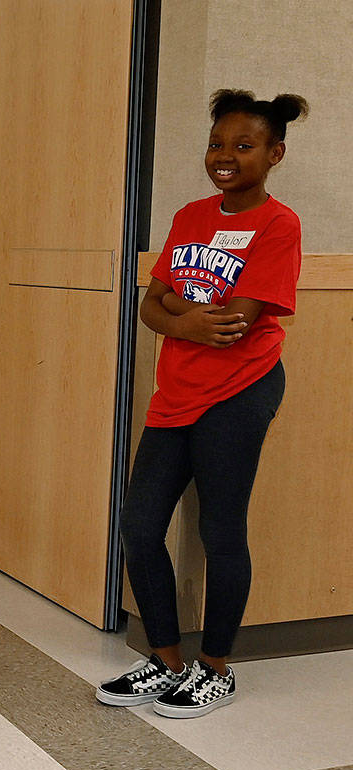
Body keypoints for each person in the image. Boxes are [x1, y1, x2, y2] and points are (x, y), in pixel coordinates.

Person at [97, 89, 307, 718]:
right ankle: (165, 660)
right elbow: (147, 304)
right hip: (178, 391)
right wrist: (187, 320)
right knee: (138, 524)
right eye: (217, 144)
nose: (225, 156)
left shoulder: (278, 224)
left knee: (220, 530)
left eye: (244, 146)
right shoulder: (190, 216)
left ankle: (215, 667)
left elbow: (236, 323)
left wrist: (174, 316)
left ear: (274, 154)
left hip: (241, 390)